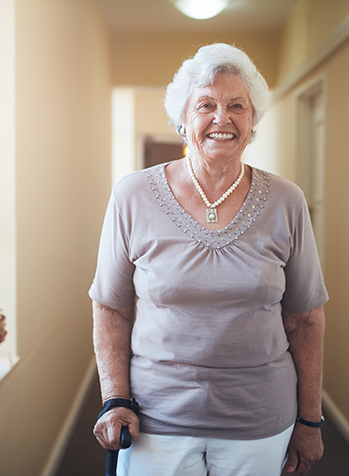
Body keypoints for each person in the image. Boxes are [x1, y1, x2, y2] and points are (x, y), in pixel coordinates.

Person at [90, 43, 328, 476]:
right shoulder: (133, 196)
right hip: (155, 421)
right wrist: (114, 398)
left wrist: (310, 421)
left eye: (237, 105)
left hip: (259, 419)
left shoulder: (286, 201)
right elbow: (111, 306)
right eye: (206, 105)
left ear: (252, 121)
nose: (222, 118)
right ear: (183, 120)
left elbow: (306, 319)